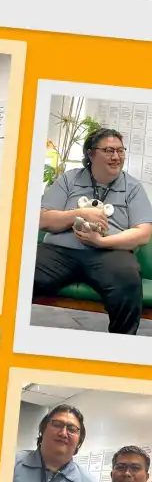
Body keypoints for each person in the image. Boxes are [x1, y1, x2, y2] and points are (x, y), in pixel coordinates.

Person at [35, 128, 152, 336]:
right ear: (90, 154)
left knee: (127, 282)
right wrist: (79, 213)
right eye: (108, 150)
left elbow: (143, 233)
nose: (116, 157)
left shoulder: (133, 188)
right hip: (61, 251)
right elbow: (42, 219)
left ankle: (120, 349)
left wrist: (101, 242)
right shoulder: (68, 180)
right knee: (23, 272)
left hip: (110, 253)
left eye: (120, 151)